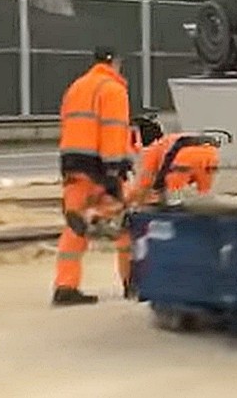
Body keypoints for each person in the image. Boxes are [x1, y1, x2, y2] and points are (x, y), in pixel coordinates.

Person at [53, 46, 132, 306]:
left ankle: (65, 287)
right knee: (124, 225)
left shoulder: (76, 87)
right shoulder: (113, 89)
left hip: (73, 165)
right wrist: (112, 171)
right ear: (115, 63)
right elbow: (113, 130)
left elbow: (67, 126)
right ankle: (132, 282)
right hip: (100, 167)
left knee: (76, 226)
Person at [125, 117, 220, 207]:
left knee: (173, 200)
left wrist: (130, 202)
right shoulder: (169, 140)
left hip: (184, 158)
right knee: (204, 199)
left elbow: (144, 184)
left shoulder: (151, 149)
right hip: (211, 154)